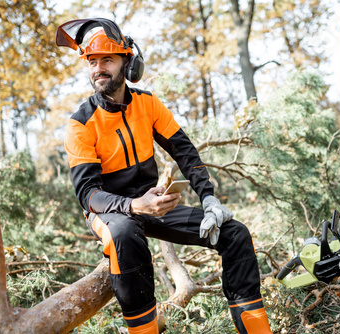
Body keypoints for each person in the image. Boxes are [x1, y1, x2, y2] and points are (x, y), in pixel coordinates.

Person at [57, 18, 272, 334]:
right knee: (125, 236)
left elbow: (184, 151)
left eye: (107, 59)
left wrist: (208, 197)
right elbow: (88, 195)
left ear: (128, 62)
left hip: (153, 203)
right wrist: (135, 206)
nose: (98, 68)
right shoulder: (80, 124)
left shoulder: (148, 103)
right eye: (92, 61)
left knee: (235, 233)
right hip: (109, 212)